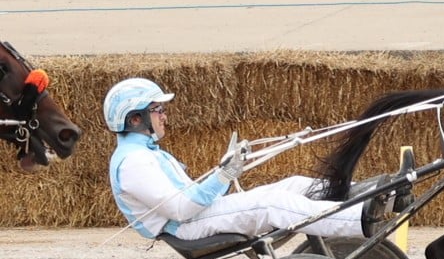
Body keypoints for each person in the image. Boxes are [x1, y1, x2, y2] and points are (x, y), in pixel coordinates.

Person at [105, 77, 392, 242]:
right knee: (271, 205)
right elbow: (181, 208)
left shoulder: (146, 153)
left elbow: (191, 196)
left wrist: (224, 174)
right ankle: (360, 219)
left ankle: (375, 194)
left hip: (197, 216)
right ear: (135, 118)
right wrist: (223, 176)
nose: (164, 115)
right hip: (187, 227)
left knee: (293, 186)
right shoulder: (134, 162)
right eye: (157, 109)